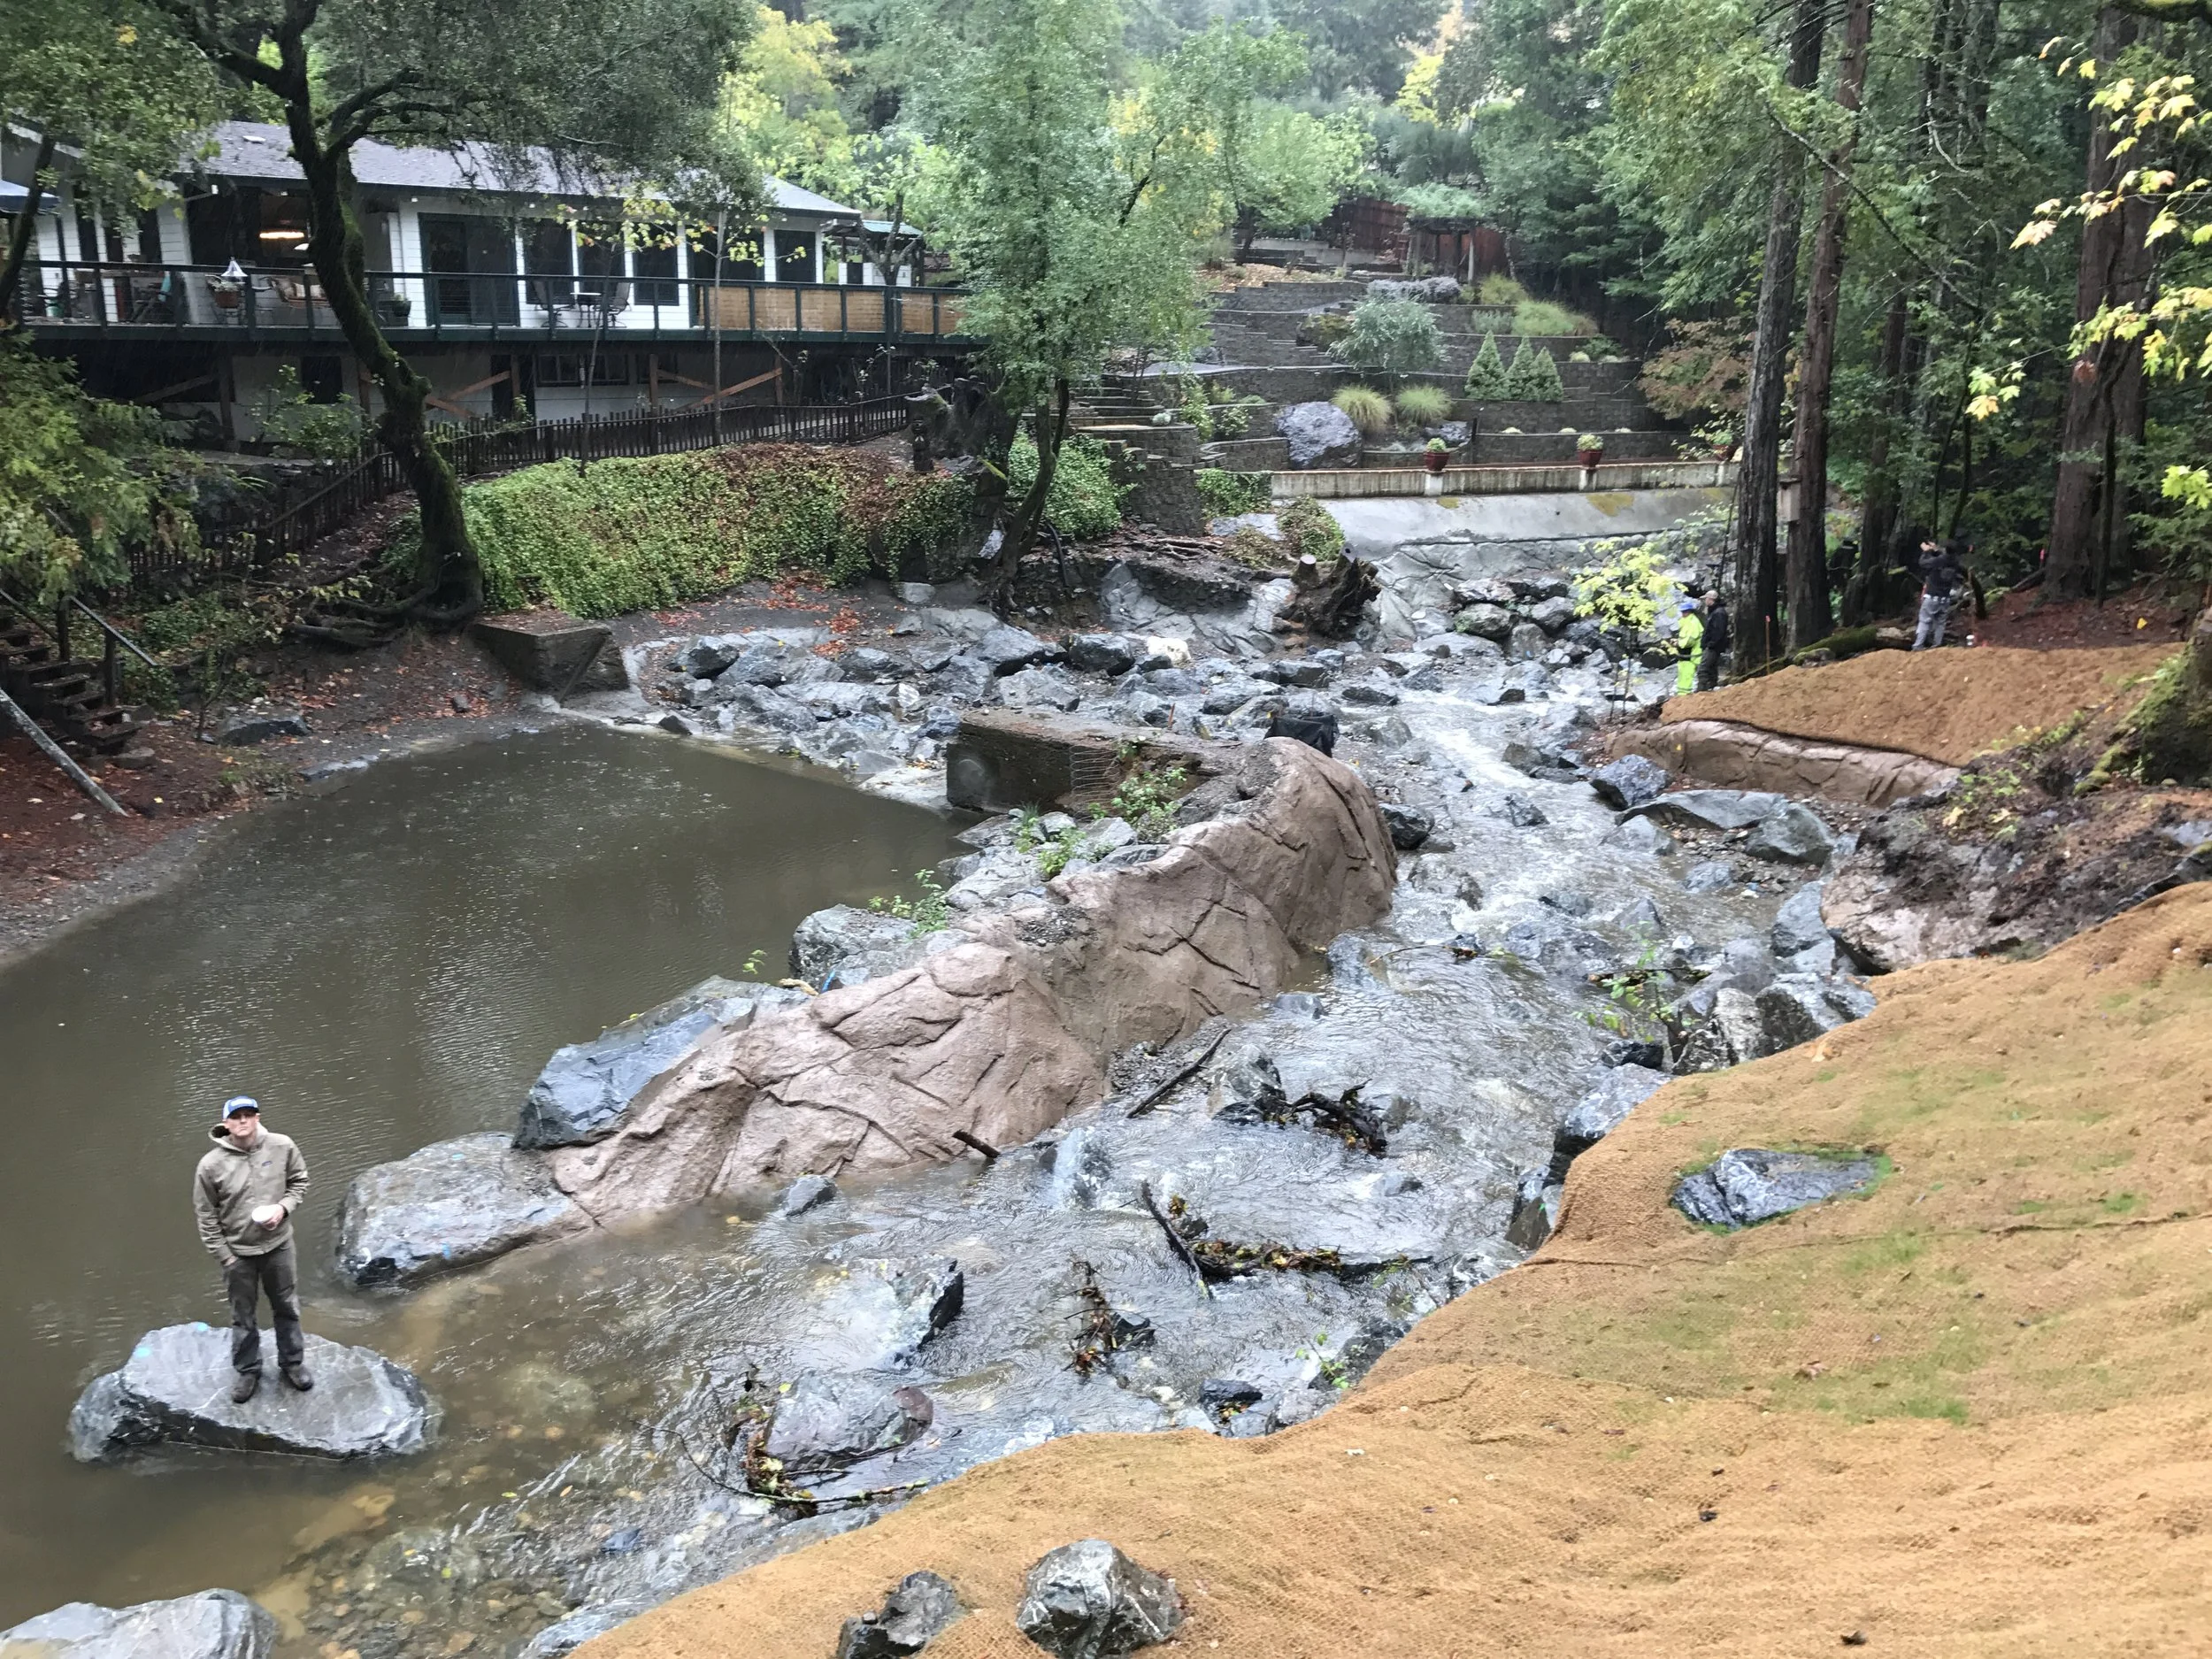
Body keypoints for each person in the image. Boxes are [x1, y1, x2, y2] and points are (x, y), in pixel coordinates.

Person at [193, 1095, 311, 1402]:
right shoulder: (210, 1165)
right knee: (242, 1315)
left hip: (279, 1246)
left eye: (249, 1115)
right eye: (236, 1117)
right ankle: (248, 1370)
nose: (243, 1121)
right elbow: (206, 1215)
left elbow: (299, 1182)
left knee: (286, 1307)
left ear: (258, 1118)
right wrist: (226, 1257)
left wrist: (283, 1209)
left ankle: (293, 1363)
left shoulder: (282, 1145)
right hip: (238, 1254)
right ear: (225, 1124)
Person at [1913, 537, 1966, 650]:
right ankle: (1937, 646)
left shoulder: (1939, 560)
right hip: (1945, 599)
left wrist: (1926, 551)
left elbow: (1923, 563)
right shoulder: (1955, 562)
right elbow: (1945, 557)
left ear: (1946, 549)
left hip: (1932, 597)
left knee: (1924, 621)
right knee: (1940, 623)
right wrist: (1935, 550)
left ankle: (1918, 645)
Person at [1696, 590, 1731, 691]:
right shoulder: (1716, 611)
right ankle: (1712, 688)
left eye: (1706, 599)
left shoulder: (1718, 613)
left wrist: (1711, 644)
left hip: (1713, 647)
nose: (1705, 601)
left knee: (1703, 669)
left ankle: (1701, 691)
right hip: (1713, 646)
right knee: (1712, 669)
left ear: (1711, 599)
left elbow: (1719, 631)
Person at [1674, 597, 1704, 695]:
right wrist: (1677, 640)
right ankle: (1681, 694)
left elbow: (1690, 640)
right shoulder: (1686, 621)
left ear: (1689, 612)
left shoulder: (1693, 622)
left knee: (1687, 675)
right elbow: (1685, 637)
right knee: (1682, 674)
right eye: (1682, 612)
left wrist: (1679, 644)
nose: (1682, 614)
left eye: (1684, 612)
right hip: (1684, 656)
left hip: (1690, 656)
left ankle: (1685, 695)